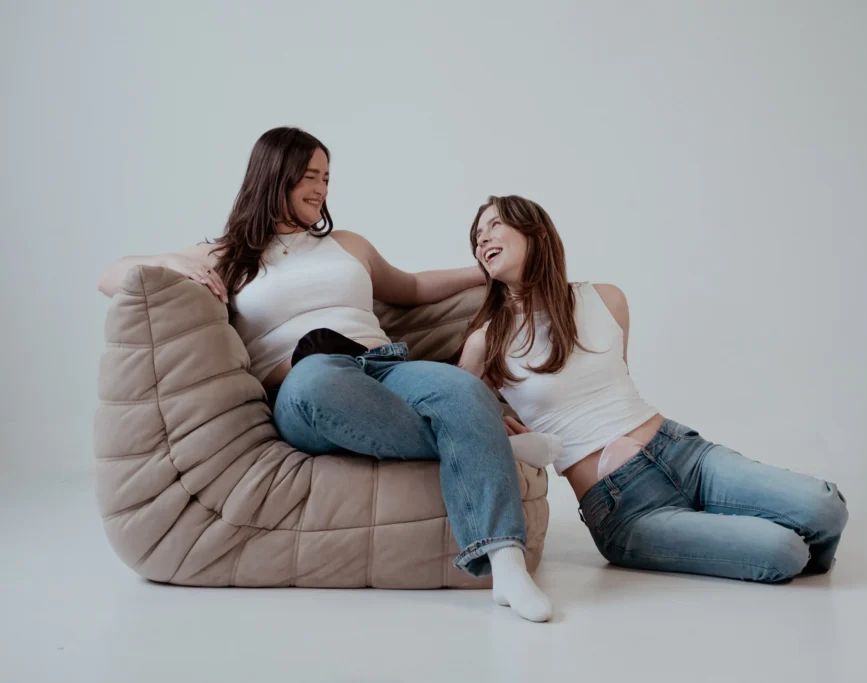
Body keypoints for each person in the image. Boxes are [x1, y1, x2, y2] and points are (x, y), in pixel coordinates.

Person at [97, 129, 553, 622]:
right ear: (275, 177)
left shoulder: (347, 244)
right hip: (305, 385)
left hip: (386, 367)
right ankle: (482, 440)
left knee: (462, 389)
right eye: (310, 177)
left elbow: (413, 287)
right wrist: (168, 260)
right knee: (320, 380)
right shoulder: (227, 255)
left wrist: (482, 274)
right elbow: (111, 276)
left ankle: (506, 565)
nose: (322, 189)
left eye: (327, 178)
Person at [458, 195, 849, 583]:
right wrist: (507, 432)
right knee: (783, 551)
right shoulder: (487, 342)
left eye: (494, 225)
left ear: (537, 232)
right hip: (623, 507)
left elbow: (614, 385)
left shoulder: (606, 299)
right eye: (477, 236)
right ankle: (744, 536)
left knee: (826, 507)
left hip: (682, 452)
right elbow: (454, 418)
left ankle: (731, 527)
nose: (482, 239)